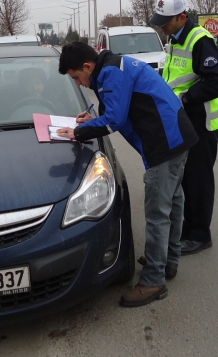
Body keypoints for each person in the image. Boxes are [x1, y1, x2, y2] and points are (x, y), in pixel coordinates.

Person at [55, 42, 198, 307]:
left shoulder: (111, 72)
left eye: (77, 77)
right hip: (177, 137)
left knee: (157, 213)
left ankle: (154, 280)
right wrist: (91, 117)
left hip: (164, 144)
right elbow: (117, 100)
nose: (79, 83)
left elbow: (115, 120)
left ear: (87, 67)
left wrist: (78, 132)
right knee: (173, 202)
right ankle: (168, 260)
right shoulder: (114, 65)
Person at [149, 0, 218, 256]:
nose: (162, 25)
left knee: (199, 179)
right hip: (183, 121)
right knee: (184, 179)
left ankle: (200, 234)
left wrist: (187, 98)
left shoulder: (200, 40)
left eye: (166, 20)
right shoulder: (174, 38)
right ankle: (188, 227)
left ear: (182, 17)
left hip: (201, 123)